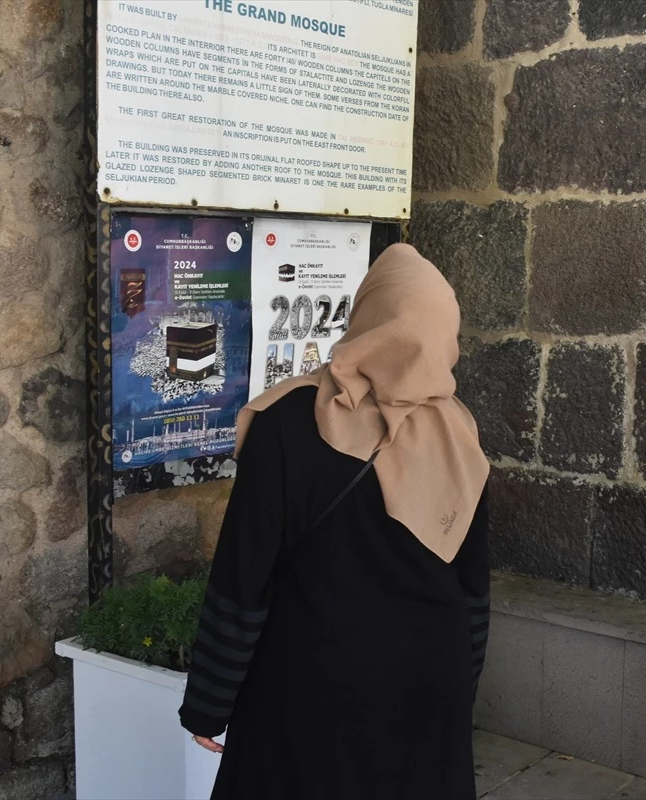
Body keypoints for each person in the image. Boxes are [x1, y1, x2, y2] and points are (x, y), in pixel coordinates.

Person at [178, 244, 492, 799]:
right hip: (425, 690)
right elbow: (472, 590)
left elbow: (242, 574)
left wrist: (209, 701)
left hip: (310, 690)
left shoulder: (288, 420)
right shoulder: (459, 436)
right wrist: (455, 691)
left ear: (367, 313)